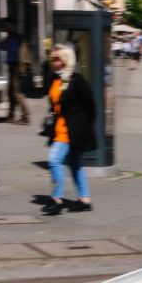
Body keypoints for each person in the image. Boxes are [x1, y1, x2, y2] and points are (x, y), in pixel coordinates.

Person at [44, 44, 97, 215]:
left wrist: (82, 128)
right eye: (52, 58)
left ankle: (57, 199)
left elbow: (91, 107)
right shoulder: (55, 78)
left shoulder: (77, 81)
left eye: (57, 59)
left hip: (72, 130)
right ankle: (85, 200)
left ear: (65, 60)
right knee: (74, 163)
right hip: (59, 127)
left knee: (54, 160)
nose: (54, 62)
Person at [0, 18, 30, 124]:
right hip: (13, 65)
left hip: (16, 66)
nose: (3, 26)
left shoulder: (14, 36)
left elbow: (15, 50)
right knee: (11, 91)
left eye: (5, 24)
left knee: (16, 92)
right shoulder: (11, 36)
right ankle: (11, 115)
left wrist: (5, 45)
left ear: (10, 25)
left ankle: (25, 115)